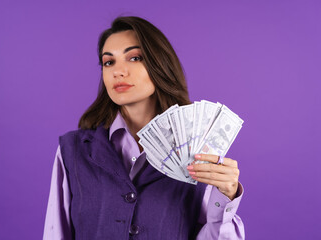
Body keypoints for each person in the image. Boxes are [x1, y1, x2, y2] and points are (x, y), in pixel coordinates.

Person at [43, 16, 245, 240]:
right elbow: (55, 233)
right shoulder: (73, 150)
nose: (118, 71)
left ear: (160, 64)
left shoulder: (198, 152)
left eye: (135, 57)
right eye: (109, 62)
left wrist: (226, 199)